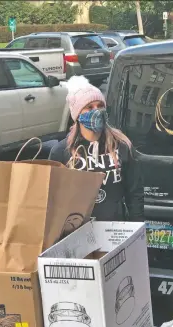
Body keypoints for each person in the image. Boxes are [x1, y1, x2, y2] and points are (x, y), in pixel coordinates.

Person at [49, 76, 144, 222]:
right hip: (77, 230)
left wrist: (137, 227)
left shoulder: (122, 146)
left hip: (115, 228)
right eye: (89, 107)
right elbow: (53, 198)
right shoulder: (61, 151)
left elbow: (134, 193)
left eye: (100, 105)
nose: (97, 111)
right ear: (78, 114)